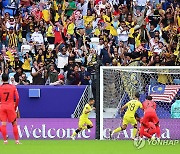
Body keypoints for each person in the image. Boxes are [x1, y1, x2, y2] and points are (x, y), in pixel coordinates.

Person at [0, 73, 20, 144]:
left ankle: (5, 141)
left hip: (2, 107)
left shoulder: (0, 87)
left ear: (2, 80)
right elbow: (17, 98)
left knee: (3, 124)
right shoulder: (13, 87)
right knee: (14, 123)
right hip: (10, 106)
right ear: (8, 79)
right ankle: (17, 141)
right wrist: (15, 107)